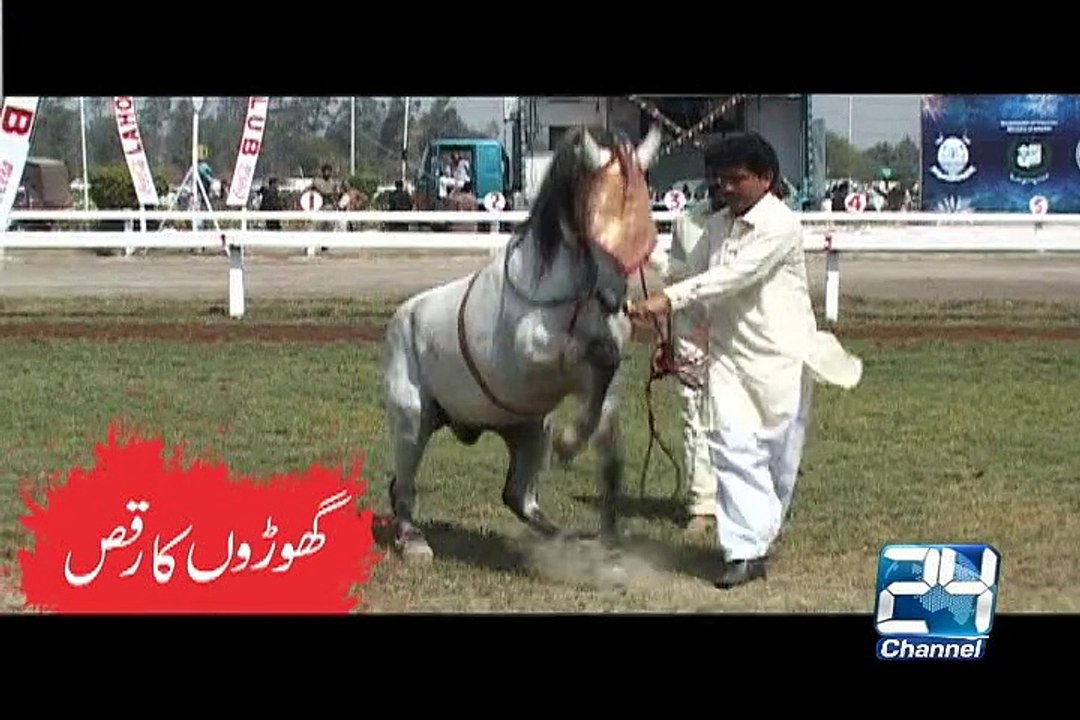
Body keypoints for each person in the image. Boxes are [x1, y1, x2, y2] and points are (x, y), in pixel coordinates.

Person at [627, 132, 863, 589]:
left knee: (776, 460)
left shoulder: (780, 225)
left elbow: (732, 277)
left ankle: (760, 532)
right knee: (731, 448)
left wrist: (668, 300)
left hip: (780, 359)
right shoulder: (717, 224)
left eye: (736, 179)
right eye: (720, 180)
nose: (726, 188)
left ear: (765, 177)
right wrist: (645, 253)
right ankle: (743, 552)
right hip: (729, 359)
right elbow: (693, 273)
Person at [646, 182, 725, 539]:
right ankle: (702, 505)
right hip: (692, 330)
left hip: (742, 334)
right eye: (715, 174)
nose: (721, 182)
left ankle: (745, 502)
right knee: (695, 415)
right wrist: (666, 337)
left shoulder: (764, 223)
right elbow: (678, 278)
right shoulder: (688, 222)